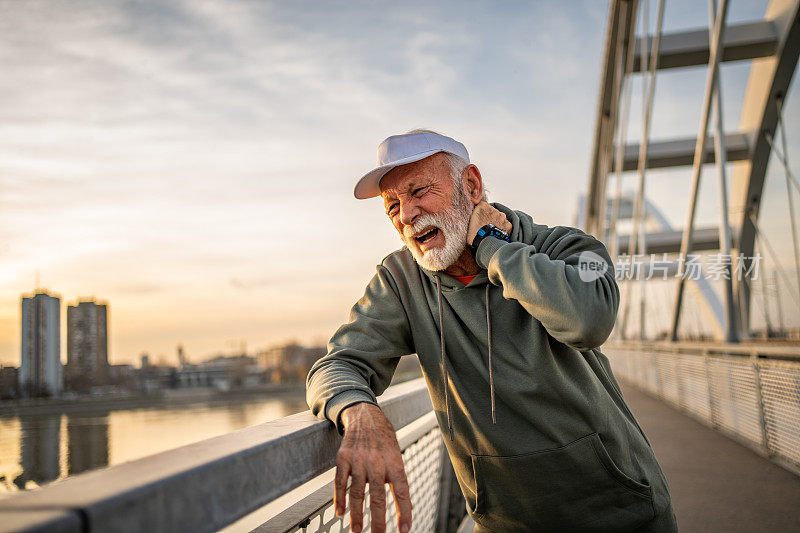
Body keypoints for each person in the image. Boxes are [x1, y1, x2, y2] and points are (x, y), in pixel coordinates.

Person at [306, 130, 677, 533]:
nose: (407, 215)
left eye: (419, 191)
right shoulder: (400, 281)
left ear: (472, 185)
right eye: (392, 205)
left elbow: (590, 320)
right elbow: (336, 365)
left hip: (623, 516)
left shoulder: (563, 245)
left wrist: (493, 249)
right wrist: (360, 414)